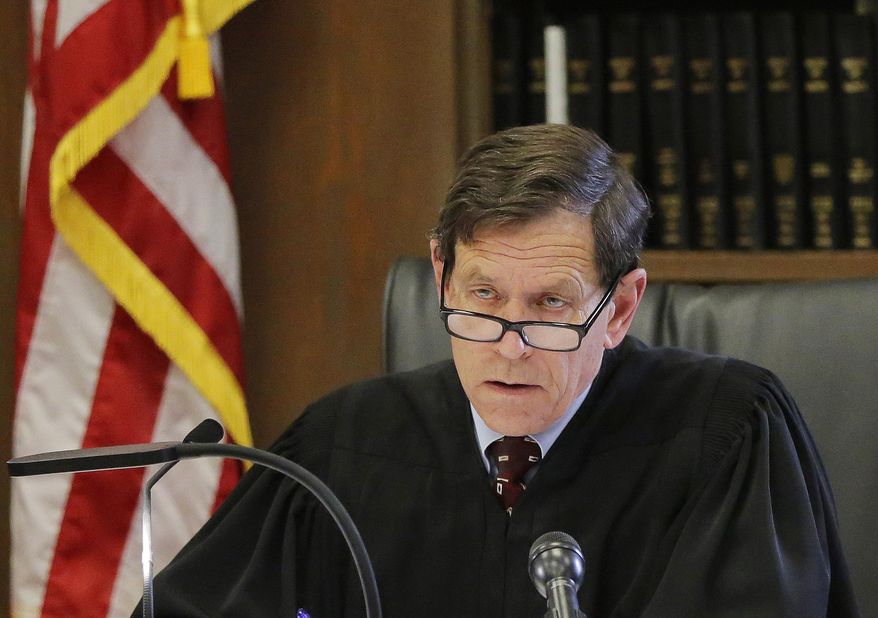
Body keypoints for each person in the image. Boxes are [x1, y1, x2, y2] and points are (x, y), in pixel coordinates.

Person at [142, 125, 858, 616]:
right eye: (483, 297)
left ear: (620, 308)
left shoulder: (726, 434)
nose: (509, 345)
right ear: (441, 279)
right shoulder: (340, 447)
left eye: (550, 305)